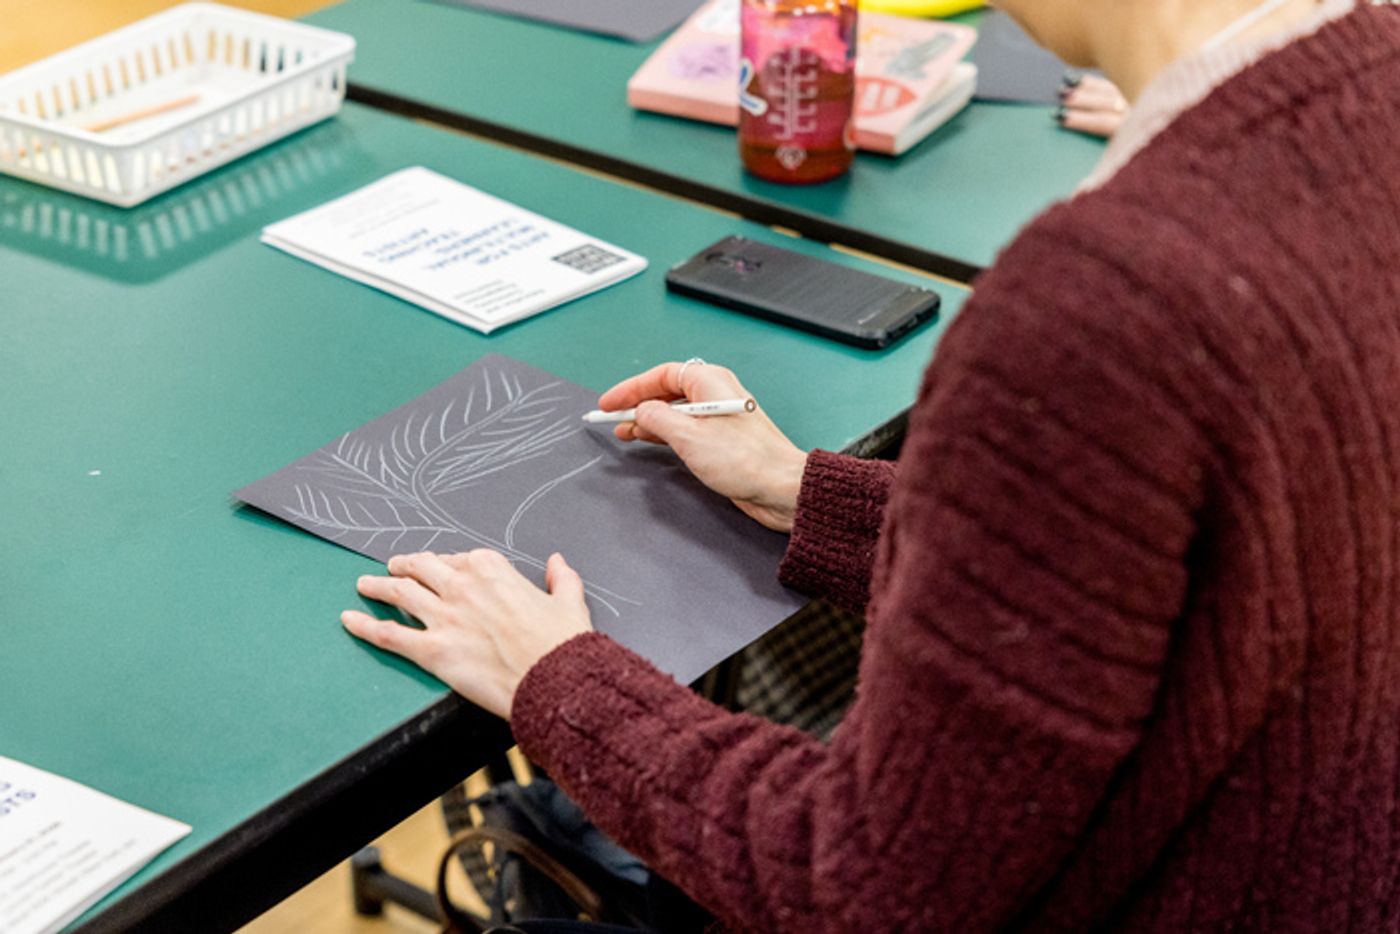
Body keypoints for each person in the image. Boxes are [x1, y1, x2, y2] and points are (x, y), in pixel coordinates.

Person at [341, 0, 1400, 928]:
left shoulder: (1101, 301)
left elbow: (872, 888)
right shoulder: (1369, 81)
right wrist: (809, 492)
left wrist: (556, 683)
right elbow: (1211, 586)